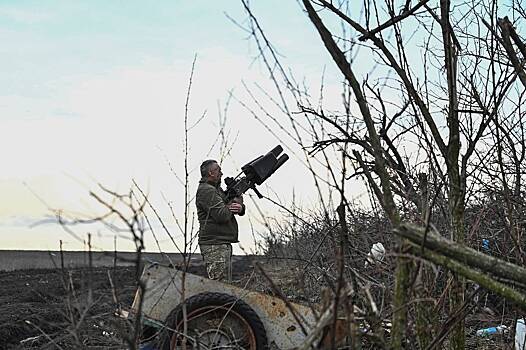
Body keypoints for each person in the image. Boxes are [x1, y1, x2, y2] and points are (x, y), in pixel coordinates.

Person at [196, 159, 245, 282]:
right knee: (219, 285)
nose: (221, 173)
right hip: (214, 244)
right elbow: (221, 215)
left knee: (224, 285)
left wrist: (240, 206)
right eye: (219, 170)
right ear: (211, 173)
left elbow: (230, 207)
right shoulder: (206, 190)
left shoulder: (216, 190)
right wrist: (234, 203)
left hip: (220, 242)